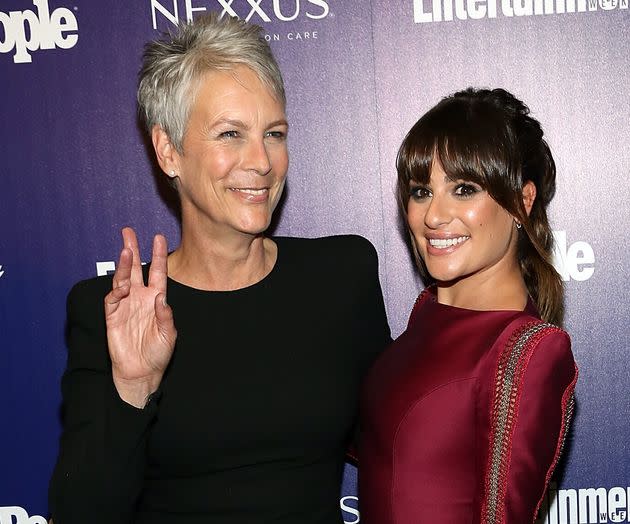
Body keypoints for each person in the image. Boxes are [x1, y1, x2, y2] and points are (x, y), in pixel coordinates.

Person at [48, 13, 390, 524]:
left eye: (273, 133)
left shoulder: (342, 276)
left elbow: (401, 440)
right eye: (230, 134)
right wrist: (133, 388)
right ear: (169, 151)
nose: (262, 160)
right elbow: (81, 514)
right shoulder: (111, 310)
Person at [358, 88, 578, 523]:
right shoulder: (426, 314)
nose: (434, 216)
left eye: (463, 189)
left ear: (522, 201)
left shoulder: (526, 352)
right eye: (421, 191)